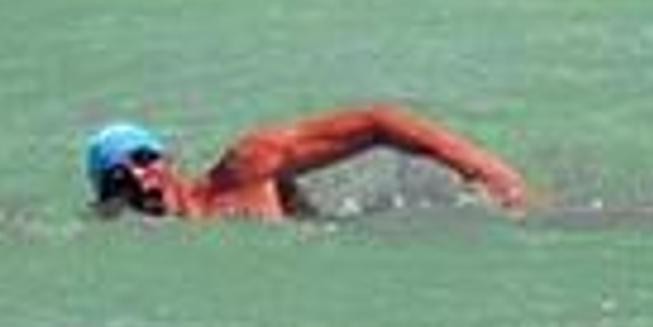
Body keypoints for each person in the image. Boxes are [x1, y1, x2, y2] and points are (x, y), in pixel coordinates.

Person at [85, 103, 527, 220]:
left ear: (167, 159)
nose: (138, 177)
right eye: (119, 176)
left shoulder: (243, 168)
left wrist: (486, 172)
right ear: (109, 198)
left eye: (143, 158)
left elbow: (377, 121)